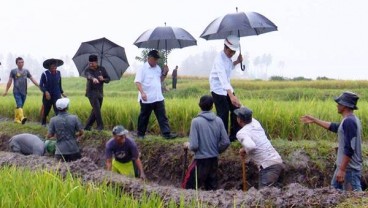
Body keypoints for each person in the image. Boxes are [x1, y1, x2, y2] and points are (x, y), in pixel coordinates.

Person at [301, 91, 362, 191]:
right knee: (333, 197)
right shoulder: (349, 120)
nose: (337, 105)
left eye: (339, 103)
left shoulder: (349, 122)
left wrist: (342, 170)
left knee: (355, 201)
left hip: (349, 171)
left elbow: (349, 149)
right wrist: (314, 120)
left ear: (345, 106)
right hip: (343, 168)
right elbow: (335, 127)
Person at [182, 95, 230, 190]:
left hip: (200, 161)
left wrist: (188, 145)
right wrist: (216, 150)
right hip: (213, 161)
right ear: (212, 106)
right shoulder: (219, 120)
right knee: (211, 190)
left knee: (188, 188)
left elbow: (194, 146)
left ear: (199, 105)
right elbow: (225, 142)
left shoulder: (196, 122)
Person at [235, 106, 284, 189]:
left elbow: (251, 146)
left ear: (239, 120)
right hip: (277, 162)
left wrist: (244, 149)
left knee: (264, 195)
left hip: (268, 167)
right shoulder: (255, 123)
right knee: (275, 194)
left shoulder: (241, 133)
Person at [134, 49, 177, 139]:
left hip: (158, 97)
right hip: (147, 98)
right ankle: (141, 135)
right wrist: (142, 93)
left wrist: (165, 72)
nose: (156, 61)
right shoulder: (142, 69)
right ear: (149, 58)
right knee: (144, 117)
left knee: (162, 116)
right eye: (155, 59)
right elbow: (137, 82)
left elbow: (160, 80)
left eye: (157, 59)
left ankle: (166, 134)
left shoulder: (157, 68)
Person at [209, 35, 243, 142]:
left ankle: (234, 136)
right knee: (223, 113)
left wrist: (237, 61)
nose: (232, 54)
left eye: (234, 52)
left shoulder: (228, 58)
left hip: (227, 87)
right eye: (230, 51)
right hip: (218, 89)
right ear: (225, 47)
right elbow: (222, 77)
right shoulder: (219, 59)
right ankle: (222, 138)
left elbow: (229, 67)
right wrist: (231, 95)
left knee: (236, 110)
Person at [3, 57, 39, 124]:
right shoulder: (13, 71)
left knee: (20, 106)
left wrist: (39, 86)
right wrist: (6, 90)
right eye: (19, 62)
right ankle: (22, 118)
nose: (21, 64)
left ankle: (16, 119)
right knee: (19, 104)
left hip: (24, 92)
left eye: (22, 62)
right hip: (16, 91)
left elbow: (32, 79)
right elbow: (9, 81)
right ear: (16, 63)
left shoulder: (26, 71)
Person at [47, 97, 84, 162]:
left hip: (60, 152)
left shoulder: (53, 120)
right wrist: (75, 135)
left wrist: (57, 135)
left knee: (60, 170)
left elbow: (49, 135)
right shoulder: (74, 118)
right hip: (74, 150)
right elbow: (81, 132)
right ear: (67, 107)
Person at [84, 55, 110, 131]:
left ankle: (87, 127)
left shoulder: (102, 69)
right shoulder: (87, 70)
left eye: (92, 63)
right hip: (91, 92)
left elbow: (108, 79)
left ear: (96, 62)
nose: (90, 65)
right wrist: (93, 79)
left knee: (95, 110)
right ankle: (100, 126)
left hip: (100, 92)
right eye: (89, 63)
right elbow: (88, 76)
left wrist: (103, 79)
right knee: (97, 109)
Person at [39, 58, 66, 126]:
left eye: (55, 66)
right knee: (46, 110)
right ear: (49, 66)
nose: (54, 67)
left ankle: (58, 125)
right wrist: (45, 92)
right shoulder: (45, 74)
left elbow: (59, 83)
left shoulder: (58, 73)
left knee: (58, 109)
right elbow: (41, 85)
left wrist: (62, 92)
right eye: (52, 66)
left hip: (56, 94)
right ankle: (43, 122)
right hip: (48, 95)